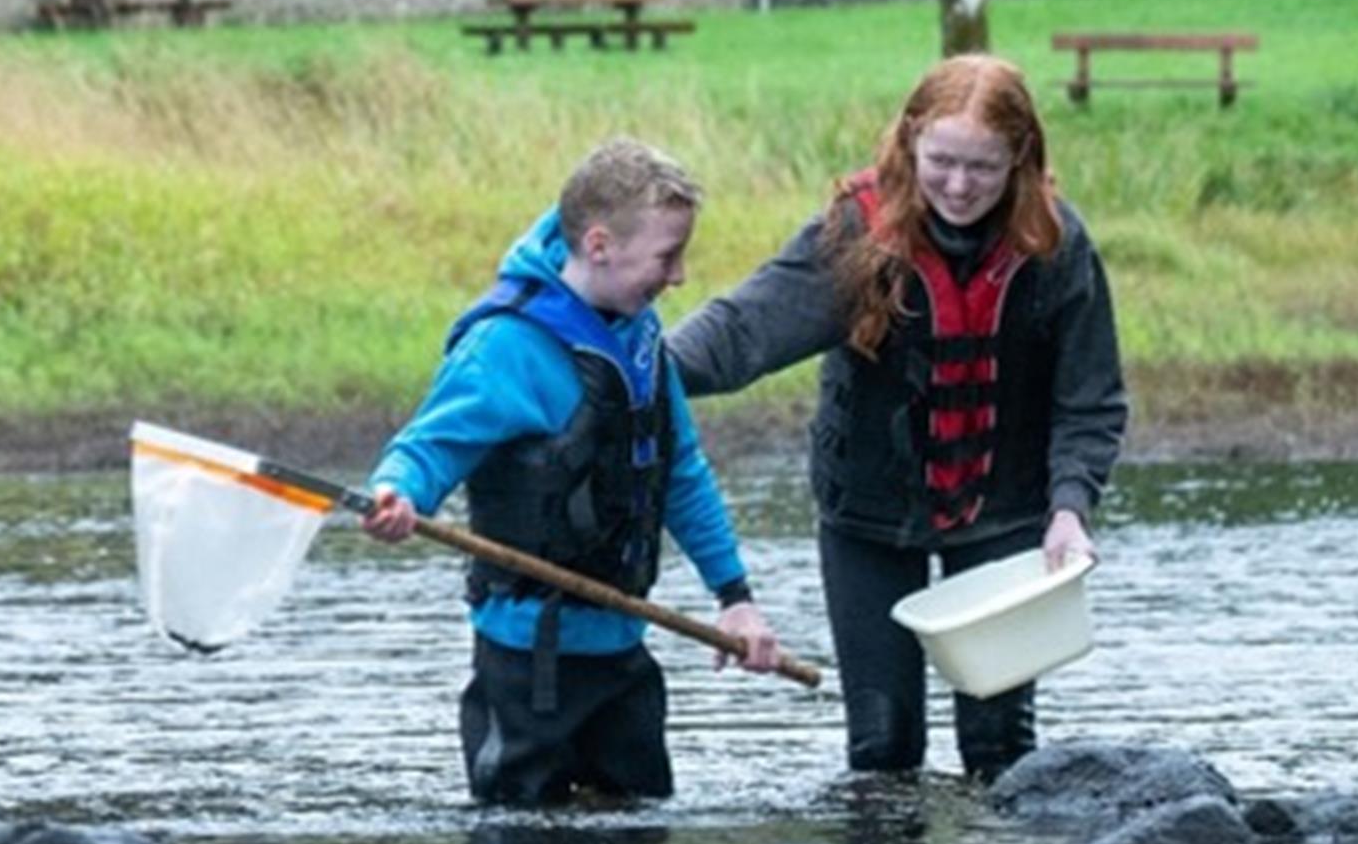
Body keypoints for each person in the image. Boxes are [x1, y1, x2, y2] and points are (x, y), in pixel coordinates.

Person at [670, 55, 1128, 782]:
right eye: (941, 161)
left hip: (1006, 516)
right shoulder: (860, 232)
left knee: (1000, 752)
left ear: (1021, 158)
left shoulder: (1055, 245)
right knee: (882, 750)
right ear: (910, 141)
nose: (957, 186)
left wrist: (1071, 507)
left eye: (983, 167)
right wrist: (627, 367)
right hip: (867, 516)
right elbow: (743, 331)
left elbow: (1091, 400)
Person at [362, 136, 781, 806]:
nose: (678, 277)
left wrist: (735, 598)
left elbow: (682, 474)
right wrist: (396, 494)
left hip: (624, 656)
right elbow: (428, 447)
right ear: (598, 245)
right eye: (667, 257)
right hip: (529, 667)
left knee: (641, 837)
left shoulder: (641, 339)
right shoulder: (506, 347)